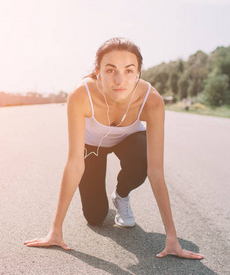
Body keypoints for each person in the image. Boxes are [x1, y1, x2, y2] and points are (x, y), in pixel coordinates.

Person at [24, 38, 204, 259]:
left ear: (138, 73)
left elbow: (156, 171)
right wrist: (55, 230)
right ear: (97, 71)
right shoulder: (81, 95)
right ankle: (96, 207)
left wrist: (172, 238)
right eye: (111, 70)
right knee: (95, 217)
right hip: (93, 145)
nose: (120, 80)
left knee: (143, 158)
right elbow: (74, 163)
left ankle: (121, 195)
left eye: (129, 71)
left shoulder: (152, 100)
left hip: (129, 140)